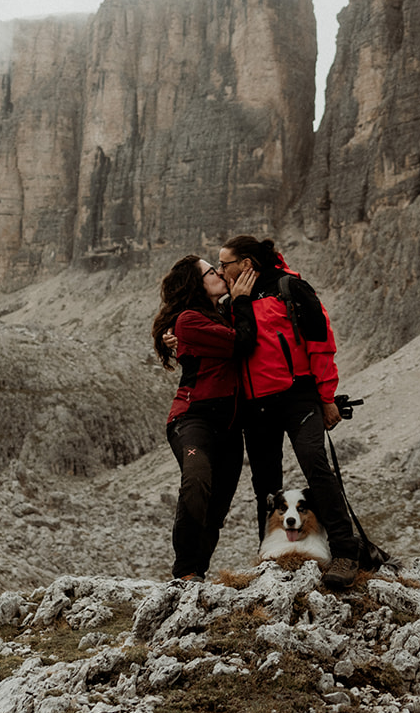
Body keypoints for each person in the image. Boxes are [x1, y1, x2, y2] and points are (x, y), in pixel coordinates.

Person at [219, 235, 362, 590]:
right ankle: (269, 555)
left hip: (298, 398)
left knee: (316, 465)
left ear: (246, 263)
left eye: (225, 264)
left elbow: (321, 344)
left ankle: (345, 553)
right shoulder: (230, 301)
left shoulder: (291, 288)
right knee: (264, 486)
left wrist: (326, 397)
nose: (220, 270)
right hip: (255, 405)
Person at [150, 254, 255, 581]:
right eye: (212, 271)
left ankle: (198, 574)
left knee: (218, 506)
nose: (220, 274)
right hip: (193, 419)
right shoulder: (189, 320)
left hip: (229, 426)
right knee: (196, 482)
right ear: (196, 283)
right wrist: (241, 301)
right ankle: (184, 572)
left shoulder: (221, 313)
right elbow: (242, 342)